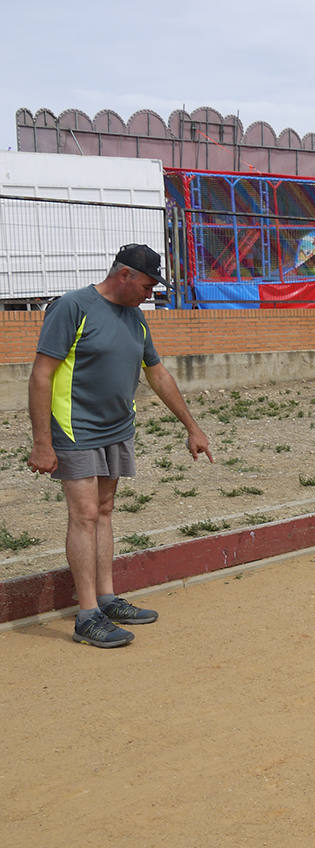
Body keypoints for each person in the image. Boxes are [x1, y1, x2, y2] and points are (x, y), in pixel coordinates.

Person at [27, 244, 213, 648]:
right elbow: (41, 375)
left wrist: (192, 427)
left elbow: (158, 374)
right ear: (124, 275)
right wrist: (43, 442)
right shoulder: (72, 308)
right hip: (75, 430)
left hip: (117, 429)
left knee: (106, 511)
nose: (151, 294)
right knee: (85, 515)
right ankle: (86, 615)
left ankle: (107, 600)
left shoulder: (136, 320)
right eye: (148, 286)